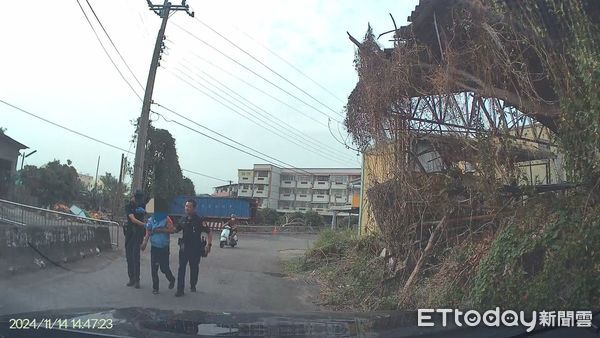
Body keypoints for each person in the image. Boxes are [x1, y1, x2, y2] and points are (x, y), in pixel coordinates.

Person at [175, 199, 212, 297]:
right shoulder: (183, 219)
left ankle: (193, 285)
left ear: (194, 208)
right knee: (181, 268)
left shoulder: (199, 220)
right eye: (186, 206)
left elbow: (208, 232)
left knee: (194, 268)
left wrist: (209, 245)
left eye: (189, 206)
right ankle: (180, 289)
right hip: (184, 248)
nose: (187, 208)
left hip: (195, 248)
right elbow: (175, 229)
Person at [144, 207, 176, 295]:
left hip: (164, 248)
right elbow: (148, 232)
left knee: (164, 268)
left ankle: (171, 279)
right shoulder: (150, 220)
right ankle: (155, 288)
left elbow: (172, 230)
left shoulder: (166, 219)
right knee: (154, 269)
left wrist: (161, 230)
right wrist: (145, 242)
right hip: (154, 247)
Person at [124, 190, 146, 288]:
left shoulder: (142, 204)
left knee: (135, 256)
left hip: (138, 233)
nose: (138, 201)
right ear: (133, 196)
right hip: (130, 232)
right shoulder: (129, 206)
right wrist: (145, 225)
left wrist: (143, 212)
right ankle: (131, 278)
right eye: (137, 198)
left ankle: (137, 280)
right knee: (129, 257)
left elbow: (144, 215)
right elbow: (132, 219)